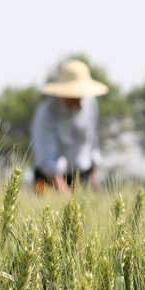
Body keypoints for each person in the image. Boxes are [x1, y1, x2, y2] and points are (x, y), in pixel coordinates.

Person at [30, 60, 108, 194]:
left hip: (82, 176)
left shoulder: (90, 104)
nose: (79, 96)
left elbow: (92, 142)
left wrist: (93, 178)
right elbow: (46, 159)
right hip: (49, 179)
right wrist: (66, 197)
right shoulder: (46, 113)